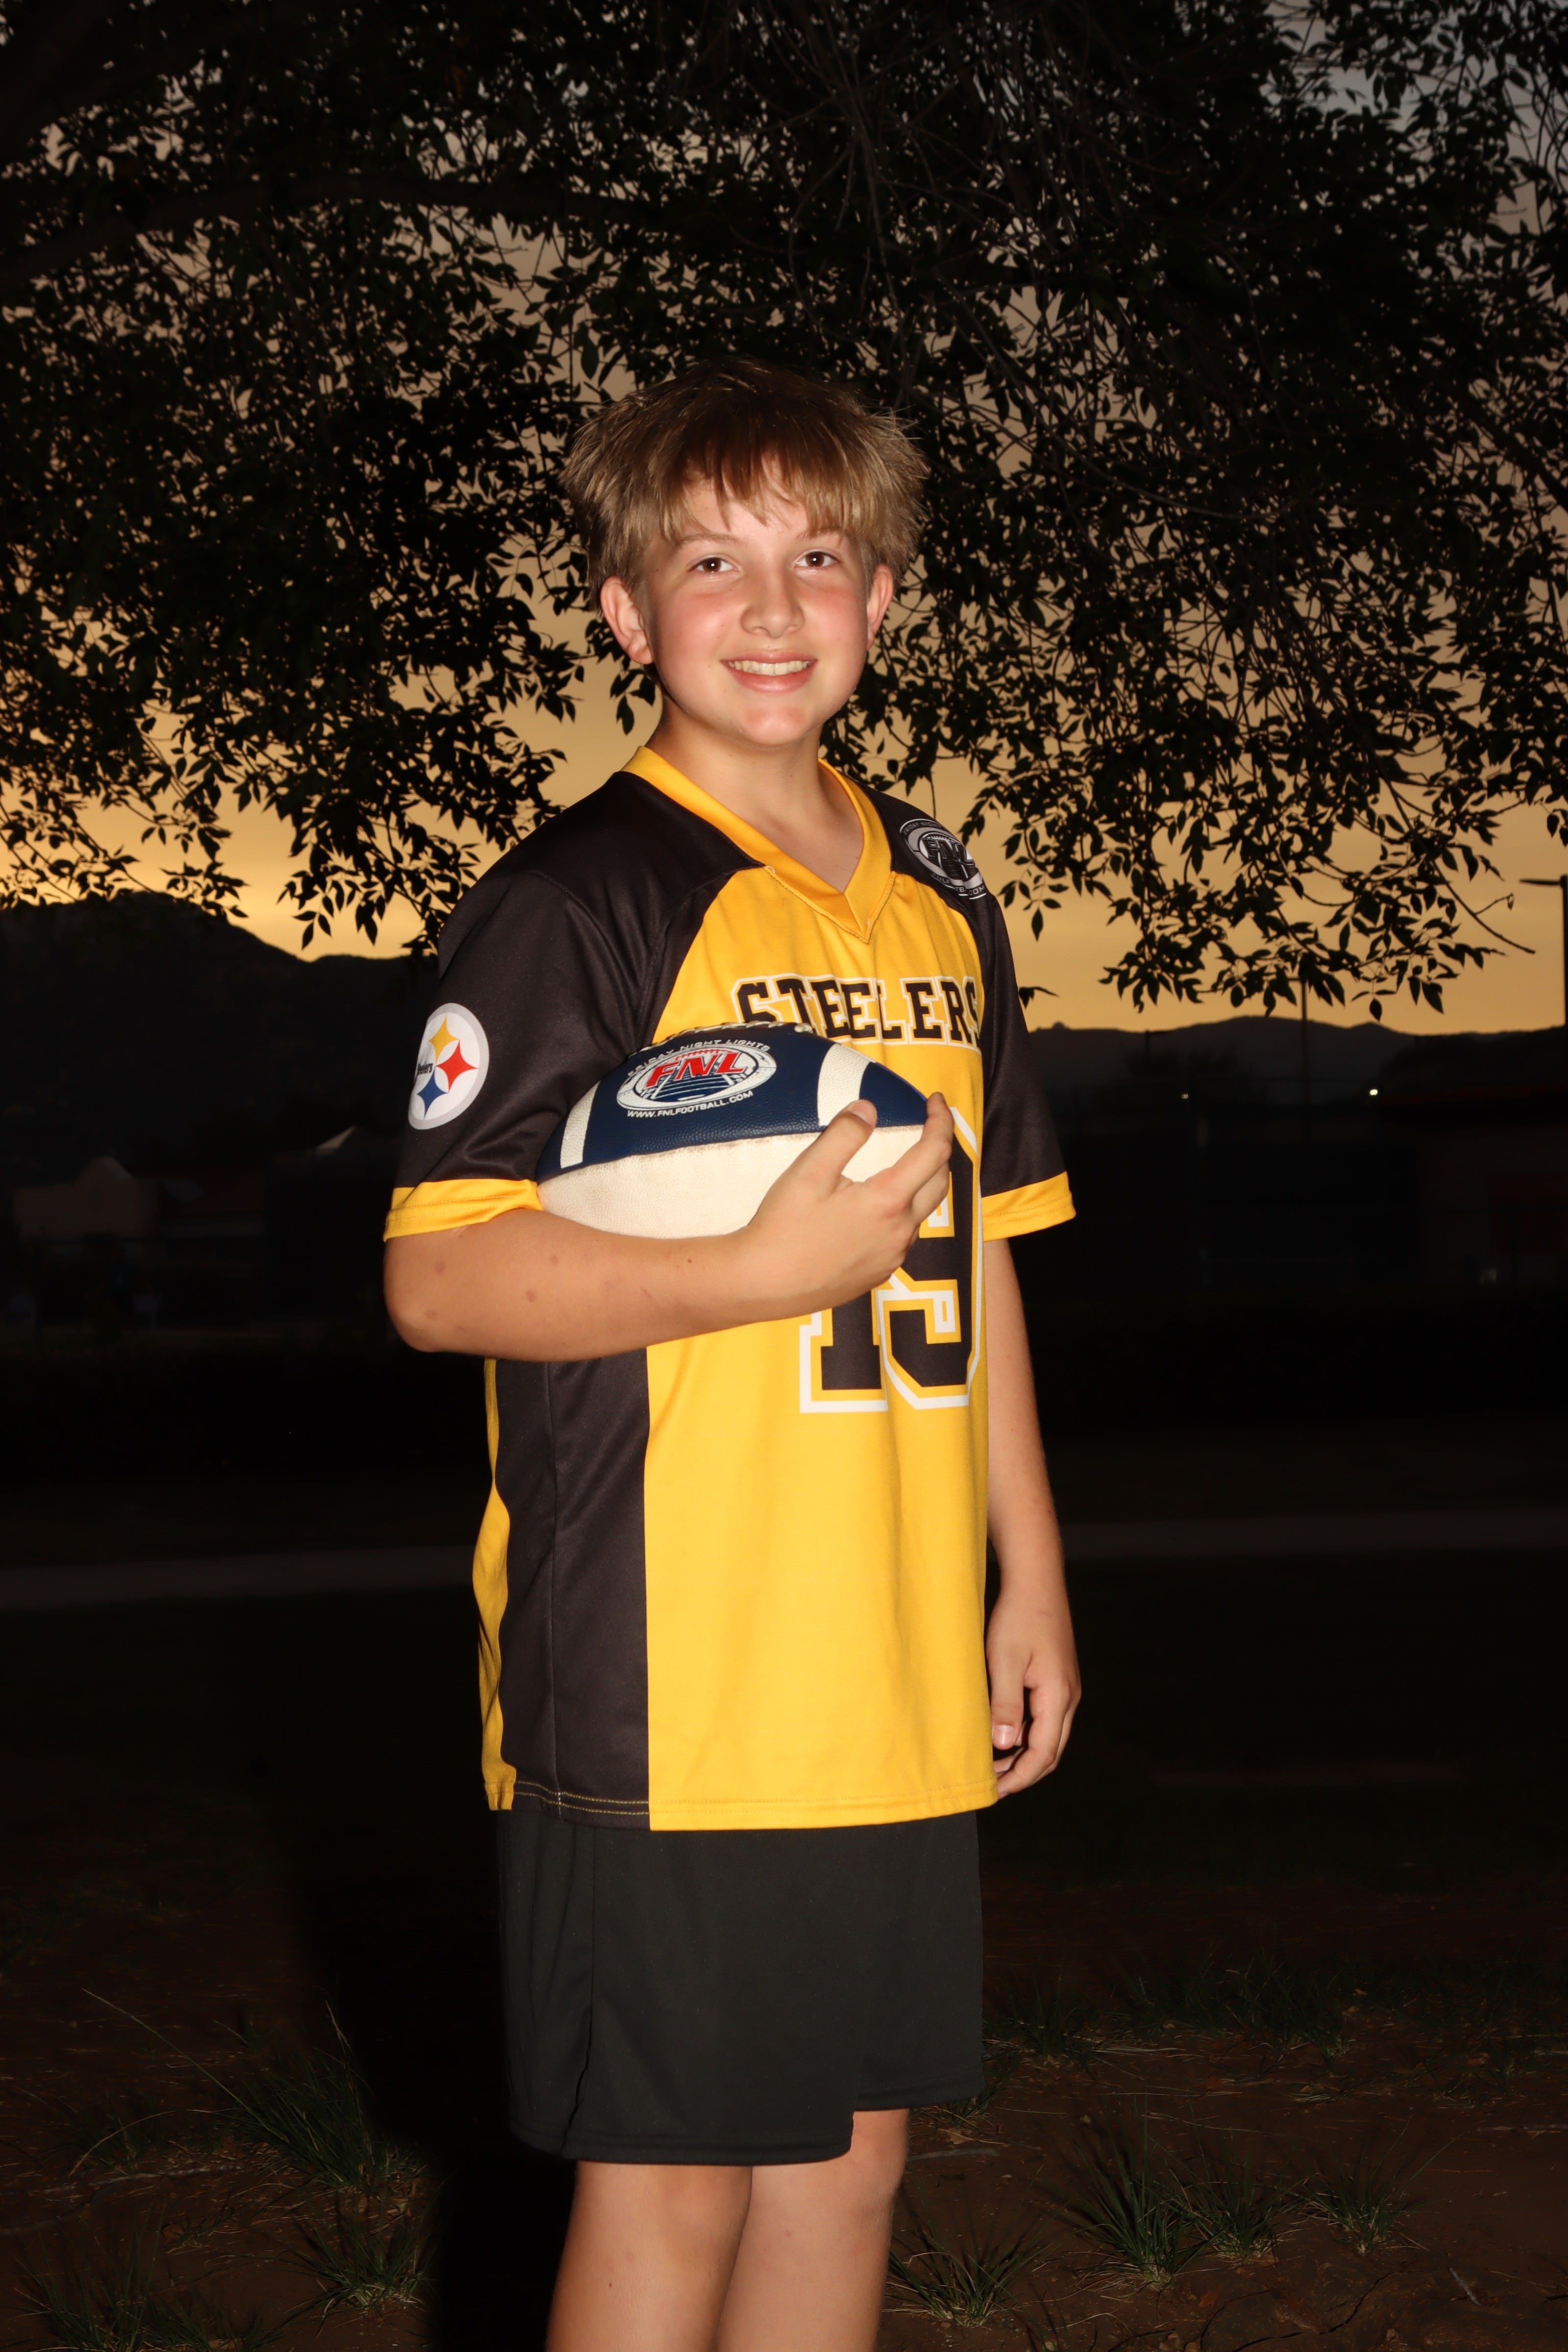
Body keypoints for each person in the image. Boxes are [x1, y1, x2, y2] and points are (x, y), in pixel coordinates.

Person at [383, 356, 1080, 2352]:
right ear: (625, 612)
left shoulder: (938, 894)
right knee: (670, 2182)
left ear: (886, 597)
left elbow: (981, 1252)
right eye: (711, 562)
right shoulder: (578, 903)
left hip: (885, 1655)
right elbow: (439, 1281)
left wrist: (1029, 1575)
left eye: (819, 557)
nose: (772, 608)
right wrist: (753, 1270)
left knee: (849, 2162)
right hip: (669, 1679)